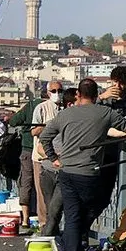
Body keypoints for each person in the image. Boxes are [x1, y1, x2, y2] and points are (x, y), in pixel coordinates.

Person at [40, 79, 126, 251]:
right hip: (89, 172)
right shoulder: (105, 113)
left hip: (66, 171)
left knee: (72, 214)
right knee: (91, 209)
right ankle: (75, 245)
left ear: (78, 95)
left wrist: (54, 158)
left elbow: (45, 136)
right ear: (97, 95)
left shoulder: (65, 114)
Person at [95, 66, 126, 222]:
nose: (118, 87)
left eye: (122, 84)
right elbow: (86, 113)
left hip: (117, 150)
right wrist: (101, 98)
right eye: (115, 82)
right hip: (97, 149)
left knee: (107, 192)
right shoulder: (101, 95)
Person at [39, 88, 77, 237]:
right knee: (52, 210)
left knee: (56, 209)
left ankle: (51, 238)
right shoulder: (56, 122)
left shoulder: (79, 125)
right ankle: (50, 239)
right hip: (49, 170)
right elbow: (41, 147)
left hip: (65, 173)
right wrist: (54, 158)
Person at [9, 87, 47, 227]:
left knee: (26, 183)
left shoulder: (30, 105)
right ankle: (42, 219)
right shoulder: (54, 107)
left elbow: (13, 121)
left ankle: (25, 219)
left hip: (27, 149)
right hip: (46, 152)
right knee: (43, 185)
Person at [28, 80, 64, 226]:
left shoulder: (64, 109)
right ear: (48, 92)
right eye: (54, 91)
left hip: (61, 157)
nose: (57, 94)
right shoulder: (41, 108)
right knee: (43, 195)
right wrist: (49, 125)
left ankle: (57, 225)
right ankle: (44, 224)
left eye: (59, 91)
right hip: (42, 157)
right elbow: (33, 131)